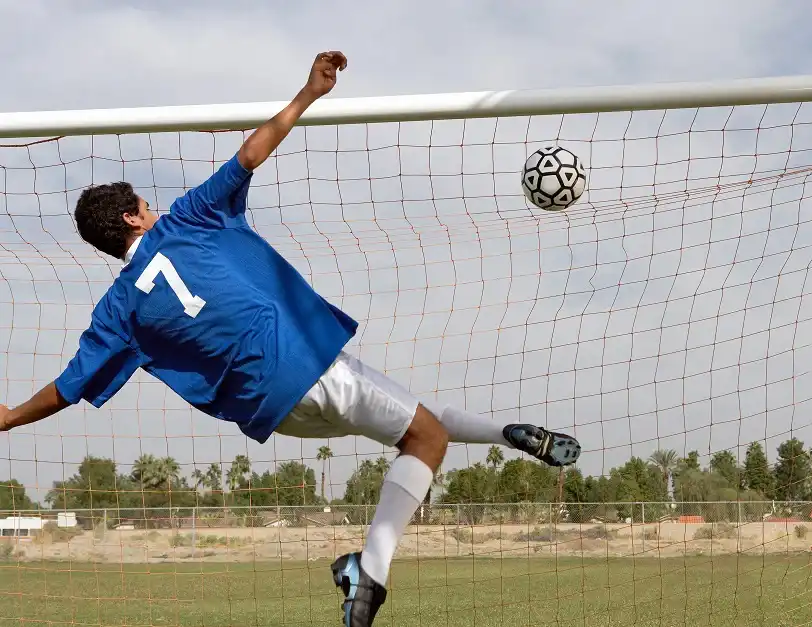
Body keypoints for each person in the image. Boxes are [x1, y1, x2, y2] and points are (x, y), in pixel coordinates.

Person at [0, 52, 581, 627]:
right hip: (303, 362)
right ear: (132, 218)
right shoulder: (186, 219)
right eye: (145, 206)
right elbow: (250, 154)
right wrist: (309, 92)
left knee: (415, 423)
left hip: (271, 410)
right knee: (426, 438)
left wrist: (7, 418)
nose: (153, 211)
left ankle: (507, 434)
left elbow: (66, 389)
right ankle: (369, 571)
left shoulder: (117, 312)